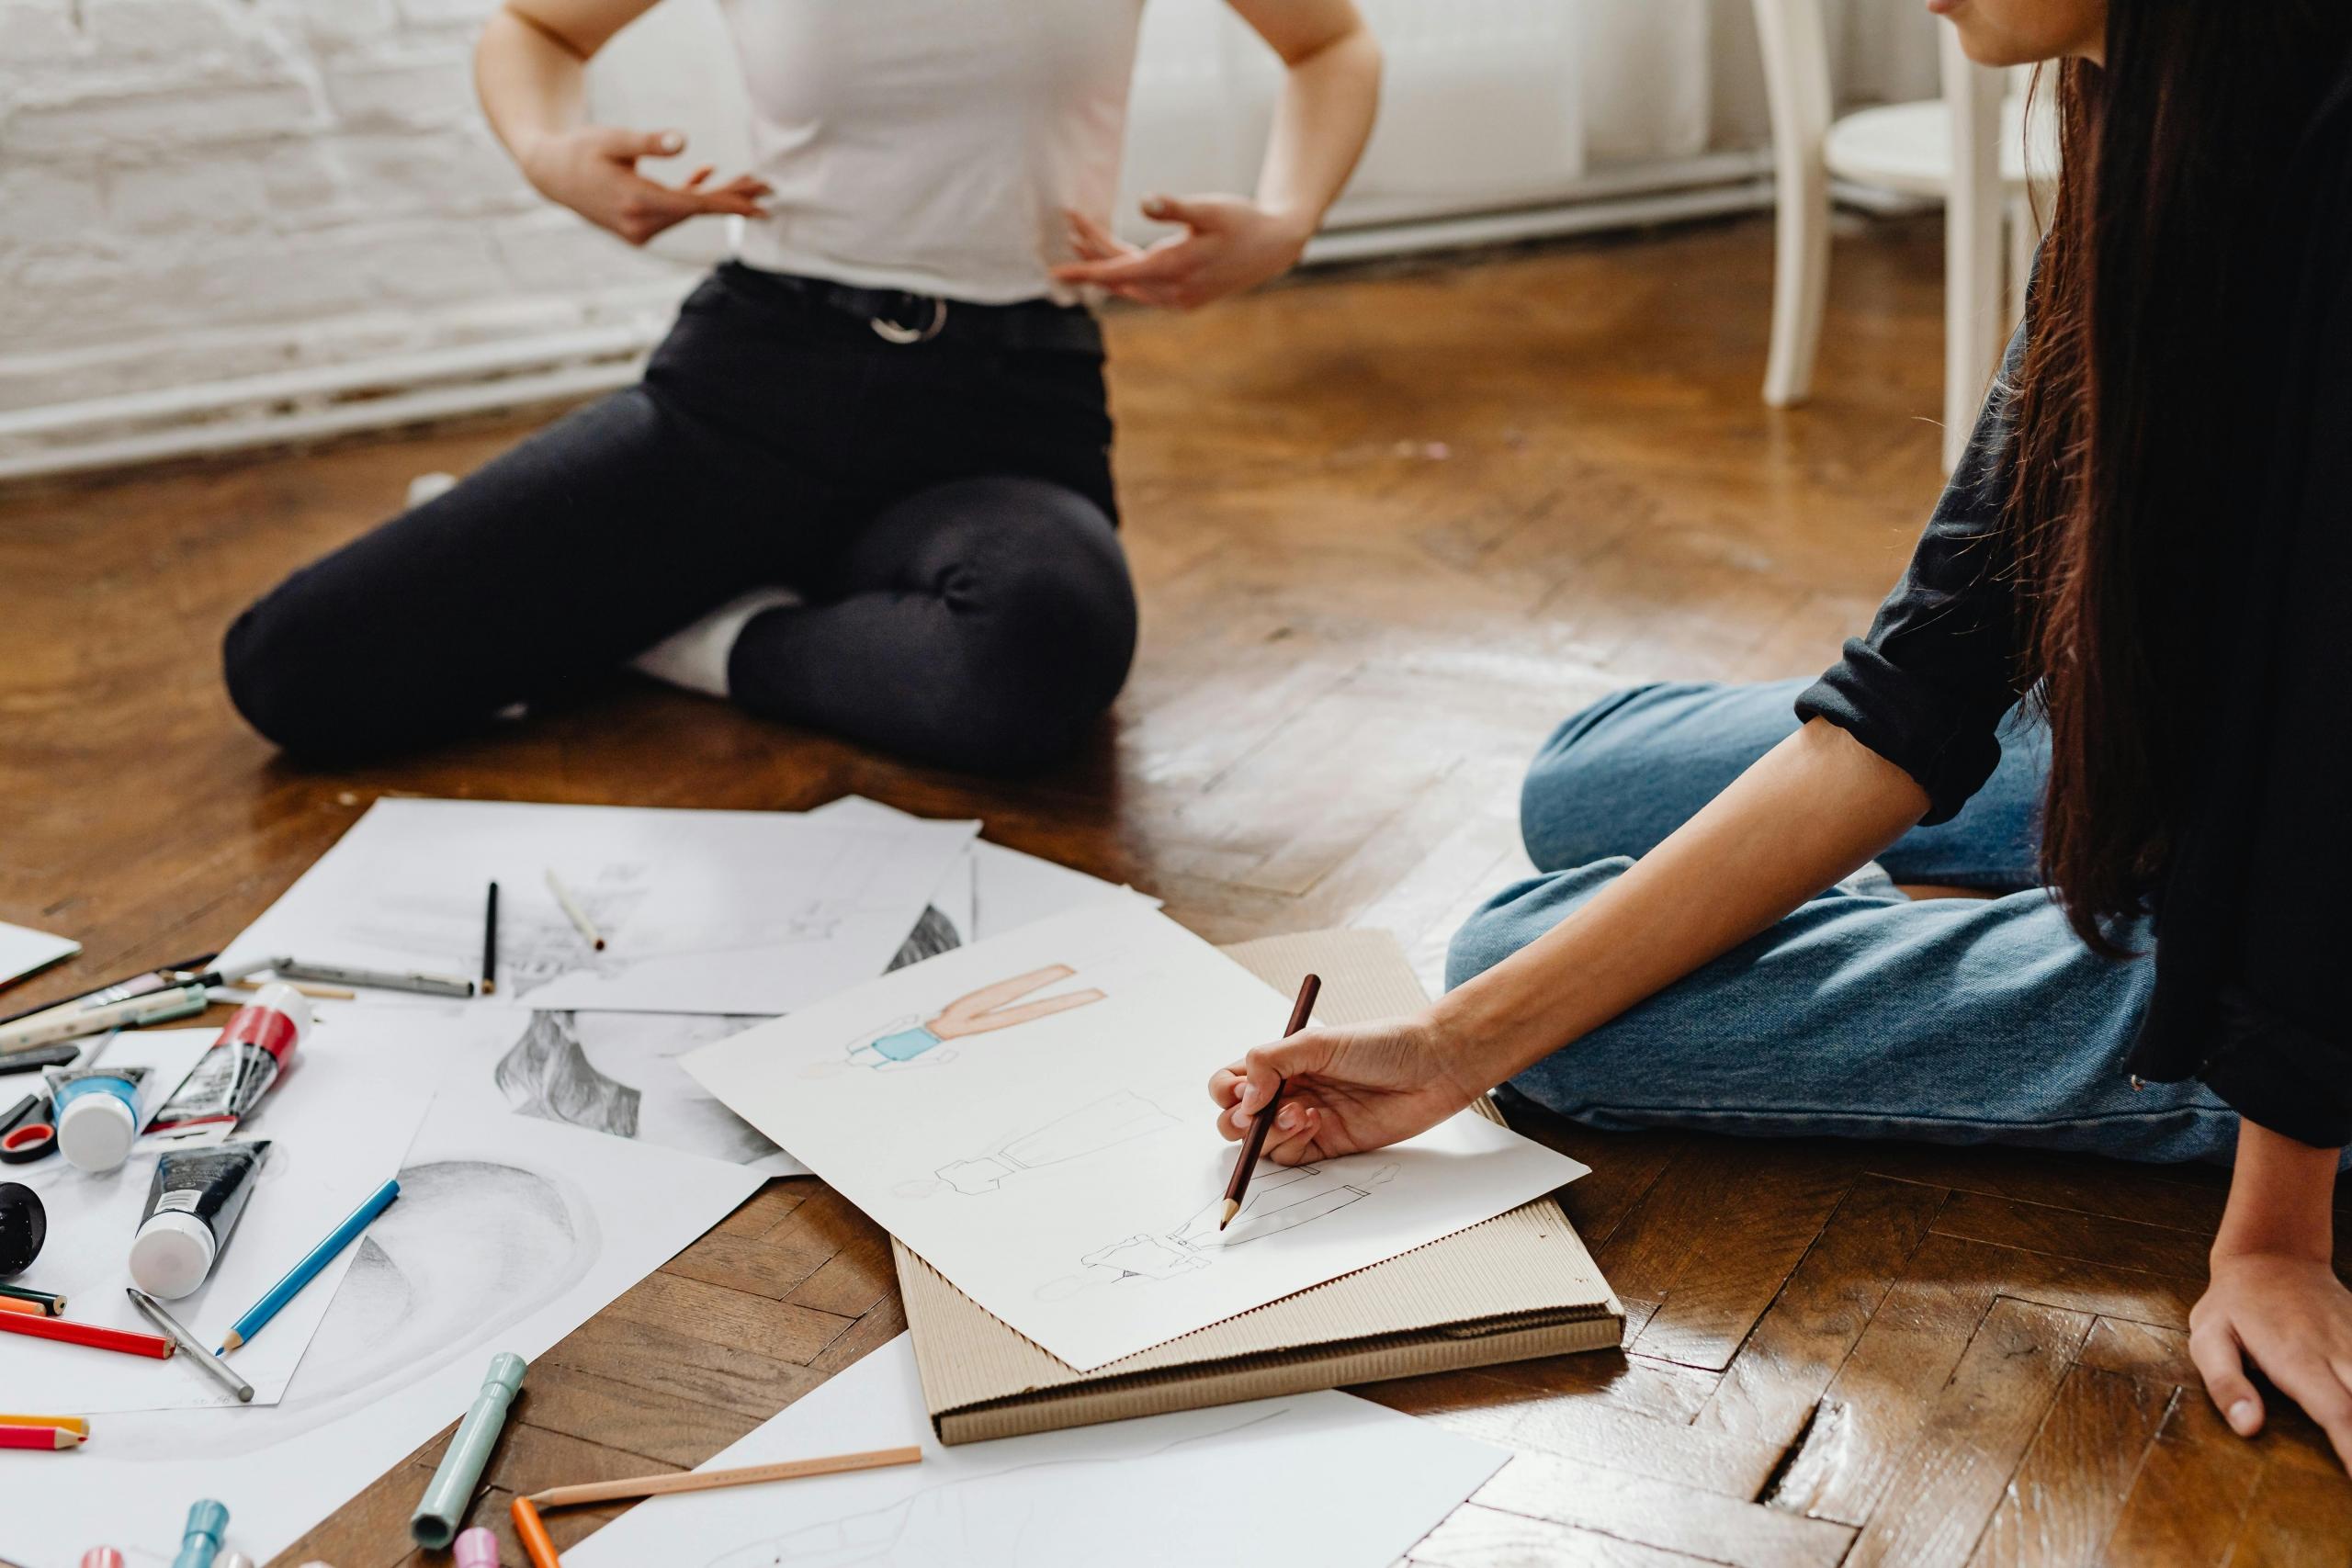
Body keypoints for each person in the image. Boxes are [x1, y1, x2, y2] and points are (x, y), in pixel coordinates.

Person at [1209, 0, 2352, 1469]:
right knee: (1595, 766)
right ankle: (2061, 889)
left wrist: (2275, 1229)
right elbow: (1926, 676)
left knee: (1515, 962)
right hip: (2209, 755)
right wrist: (1438, 1051)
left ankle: (2119, 954)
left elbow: (2328, 764)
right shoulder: (2150, 106)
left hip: (2310, 925)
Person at [223, 0, 1379, 774]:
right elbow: (531, 29)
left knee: (1044, 653)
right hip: (755, 379)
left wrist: (1285, 222)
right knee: (294, 672)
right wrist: (548, 153)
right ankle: (720, 592)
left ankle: (693, 636)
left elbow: (1331, 44)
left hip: (1010, 401)